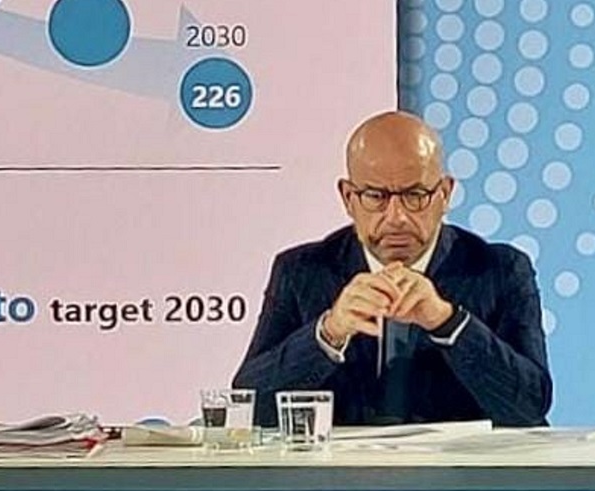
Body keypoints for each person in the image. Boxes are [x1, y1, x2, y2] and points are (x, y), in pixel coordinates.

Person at [234, 111, 551, 427]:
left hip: (460, 460)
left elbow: (530, 407)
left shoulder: (500, 270)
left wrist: (447, 322)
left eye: (415, 195)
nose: (396, 217)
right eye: (376, 196)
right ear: (348, 198)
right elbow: (248, 407)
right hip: (344, 461)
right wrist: (328, 333)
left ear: (444, 194)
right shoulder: (302, 271)